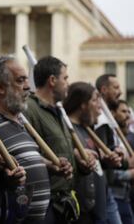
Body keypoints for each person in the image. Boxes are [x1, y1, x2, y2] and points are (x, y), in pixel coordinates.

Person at [0, 55, 50, 223]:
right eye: (20, 81)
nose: (28, 87)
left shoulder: (19, 120)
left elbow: (24, 158)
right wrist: (3, 176)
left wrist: (51, 165)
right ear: (0, 87)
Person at [24, 56, 86, 224]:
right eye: (65, 78)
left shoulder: (59, 111)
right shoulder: (30, 109)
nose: (68, 83)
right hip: (45, 205)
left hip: (63, 203)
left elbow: (60, 148)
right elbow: (27, 154)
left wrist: (79, 159)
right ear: (52, 80)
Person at [63, 82, 121, 223]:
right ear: (83, 104)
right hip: (84, 211)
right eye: (95, 100)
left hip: (101, 204)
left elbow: (96, 161)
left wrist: (107, 159)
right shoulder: (67, 130)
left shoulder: (87, 128)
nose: (99, 107)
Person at [96, 74, 127, 224]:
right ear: (103, 89)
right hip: (101, 188)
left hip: (107, 187)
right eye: (116, 87)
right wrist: (123, 160)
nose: (120, 91)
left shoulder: (107, 117)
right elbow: (103, 154)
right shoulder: (100, 119)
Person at [109, 99, 134, 224]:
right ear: (113, 114)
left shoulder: (127, 137)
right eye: (123, 111)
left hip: (125, 196)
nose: (127, 115)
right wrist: (130, 174)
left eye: (128, 112)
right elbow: (109, 173)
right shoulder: (110, 137)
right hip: (114, 195)